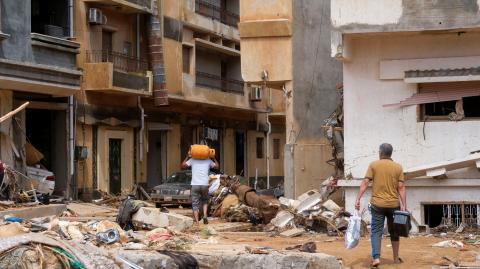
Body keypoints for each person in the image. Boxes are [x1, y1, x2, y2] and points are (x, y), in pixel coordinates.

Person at [355, 143, 406, 268]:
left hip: (377, 205)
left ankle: (376, 258)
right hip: (394, 204)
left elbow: (365, 183)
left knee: (376, 231)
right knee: (394, 231)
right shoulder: (398, 167)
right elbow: (401, 187)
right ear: (391, 153)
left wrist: (357, 199)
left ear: (380, 152)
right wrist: (404, 205)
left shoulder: (373, 165)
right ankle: (395, 258)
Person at [181, 150, 219, 226]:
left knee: (195, 204)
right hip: (205, 185)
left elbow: (183, 165)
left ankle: (197, 222)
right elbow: (217, 166)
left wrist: (187, 157)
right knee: (205, 201)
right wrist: (213, 158)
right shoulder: (208, 161)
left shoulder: (192, 160)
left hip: (195, 185)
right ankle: (205, 215)